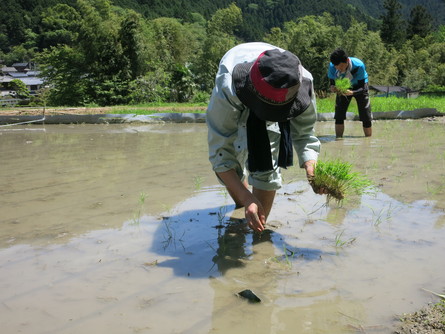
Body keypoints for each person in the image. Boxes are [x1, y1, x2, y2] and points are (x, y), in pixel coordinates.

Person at [206, 42, 322, 233]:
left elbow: (304, 133)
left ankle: (257, 232)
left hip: (274, 92)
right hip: (243, 91)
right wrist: (246, 198)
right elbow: (221, 153)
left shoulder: (300, 82)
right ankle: (243, 205)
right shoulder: (227, 87)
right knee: (235, 158)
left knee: (267, 161)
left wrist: (311, 165)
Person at [327, 48, 372, 138]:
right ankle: (338, 139)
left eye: (342, 67)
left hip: (360, 86)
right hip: (344, 87)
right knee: (339, 115)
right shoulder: (332, 66)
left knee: (365, 115)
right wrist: (332, 87)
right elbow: (332, 82)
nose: (340, 70)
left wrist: (352, 92)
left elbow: (363, 88)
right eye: (338, 68)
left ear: (347, 61)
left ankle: (368, 139)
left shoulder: (359, 65)